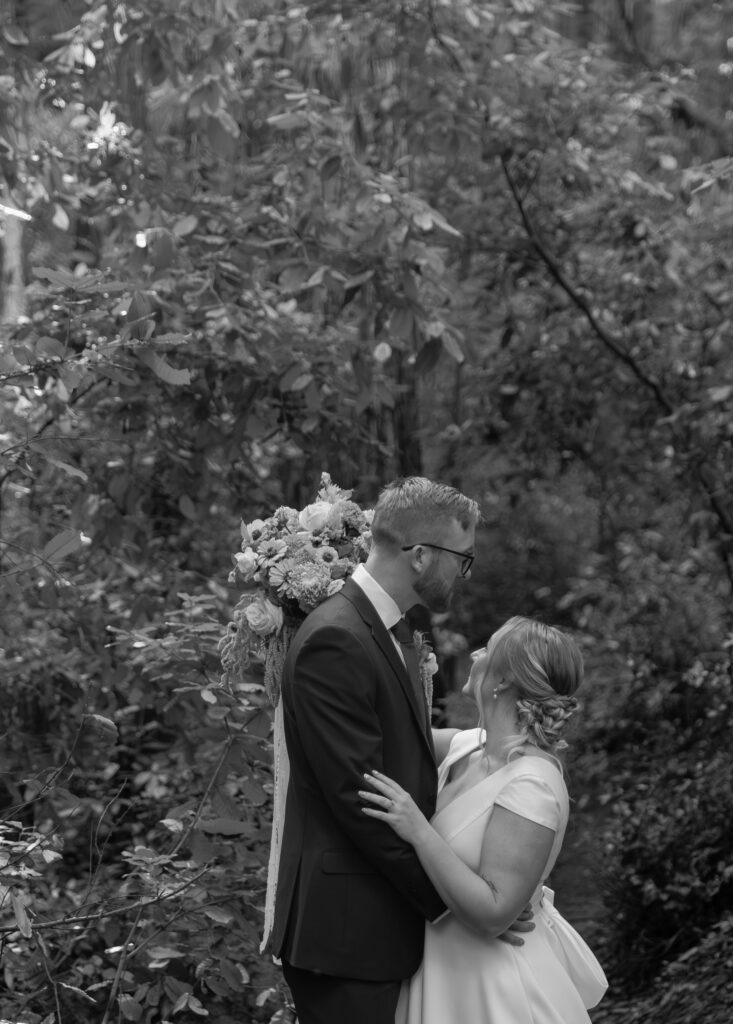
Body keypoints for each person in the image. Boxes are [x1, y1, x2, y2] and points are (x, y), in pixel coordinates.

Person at [266, 477, 486, 1024]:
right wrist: (457, 905)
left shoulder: (390, 631)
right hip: (346, 932)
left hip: (371, 925)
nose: (463, 572)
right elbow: (365, 801)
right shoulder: (336, 639)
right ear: (418, 557)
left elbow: (399, 752)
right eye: (463, 558)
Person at [360, 616, 608, 1023]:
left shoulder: (533, 783)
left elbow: (494, 913)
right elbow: (384, 731)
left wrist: (418, 830)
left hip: (495, 987)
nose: (475, 654)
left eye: (487, 648)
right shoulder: (466, 747)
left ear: (505, 680)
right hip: (442, 968)